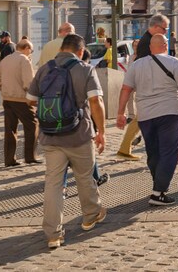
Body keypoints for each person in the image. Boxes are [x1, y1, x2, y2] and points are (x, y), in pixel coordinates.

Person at [27, 34, 107, 249]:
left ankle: (53, 234)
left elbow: (31, 100)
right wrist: (101, 131)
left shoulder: (45, 69)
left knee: (53, 184)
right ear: (81, 51)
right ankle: (90, 215)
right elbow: (96, 101)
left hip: (50, 136)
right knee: (84, 177)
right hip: (79, 135)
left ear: (61, 48)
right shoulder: (85, 69)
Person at [117, 33, 178, 206]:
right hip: (171, 112)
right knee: (169, 152)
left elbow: (126, 89)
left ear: (150, 48)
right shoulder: (173, 62)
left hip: (146, 115)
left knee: (153, 151)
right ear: (165, 45)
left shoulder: (137, 64)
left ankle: (158, 183)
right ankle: (158, 192)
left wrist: (120, 112)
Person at [0, 38, 40, 167]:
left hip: (7, 99)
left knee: (10, 130)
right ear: (26, 48)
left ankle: (9, 159)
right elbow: (29, 83)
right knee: (32, 126)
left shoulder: (6, 59)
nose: (31, 52)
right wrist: (33, 97)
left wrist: (4, 89)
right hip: (22, 99)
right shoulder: (24, 60)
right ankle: (30, 157)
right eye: (31, 50)